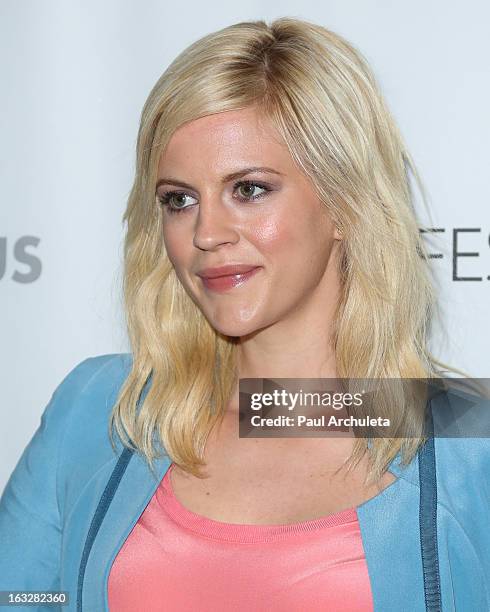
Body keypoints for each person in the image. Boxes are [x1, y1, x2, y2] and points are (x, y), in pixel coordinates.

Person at [1, 16, 489, 612]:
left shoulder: (468, 442)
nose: (206, 233)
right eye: (179, 200)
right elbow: (20, 597)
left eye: (249, 189)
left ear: (343, 202)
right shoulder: (98, 409)